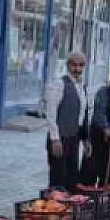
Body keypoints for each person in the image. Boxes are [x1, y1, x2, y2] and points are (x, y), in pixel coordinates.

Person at [43, 51, 89, 192]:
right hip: (60, 137)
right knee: (58, 177)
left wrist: (85, 139)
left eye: (81, 65)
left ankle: (69, 209)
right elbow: (51, 113)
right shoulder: (59, 84)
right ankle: (54, 209)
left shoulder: (82, 87)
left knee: (72, 177)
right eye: (74, 65)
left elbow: (82, 115)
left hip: (73, 137)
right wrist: (55, 139)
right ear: (68, 65)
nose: (77, 69)